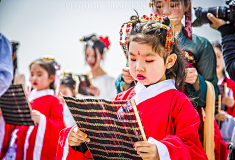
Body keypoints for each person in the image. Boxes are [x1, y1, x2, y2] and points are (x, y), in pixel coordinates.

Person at [57, 16, 207, 160]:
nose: (139, 67)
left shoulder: (178, 103)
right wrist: (79, 140)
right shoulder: (121, 99)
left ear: (169, 61)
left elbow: (193, 150)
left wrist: (160, 151)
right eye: (133, 59)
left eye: (148, 60)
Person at [116, 0, 218, 109]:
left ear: (186, 5)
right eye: (159, 5)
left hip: (184, 117)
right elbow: (127, 97)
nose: (165, 12)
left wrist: (197, 81)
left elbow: (213, 96)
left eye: (173, 5)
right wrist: (126, 81)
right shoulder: (142, 42)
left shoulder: (201, 45)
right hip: (146, 115)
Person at [3, 57, 65, 160]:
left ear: (51, 78)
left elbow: (59, 127)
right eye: (32, 74)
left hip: (36, 149)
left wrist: (42, 120)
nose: (34, 78)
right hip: (20, 146)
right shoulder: (27, 98)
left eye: (39, 75)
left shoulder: (54, 101)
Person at [78, 34, 116, 101]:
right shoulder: (82, 79)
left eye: (94, 56)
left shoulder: (110, 81)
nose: (90, 59)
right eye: (87, 55)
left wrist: (99, 94)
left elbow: (114, 106)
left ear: (102, 55)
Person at [207, 13, 235, 82]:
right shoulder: (200, 84)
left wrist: (227, 31)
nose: (215, 61)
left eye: (218, 56)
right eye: (211, 57)